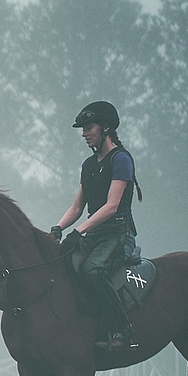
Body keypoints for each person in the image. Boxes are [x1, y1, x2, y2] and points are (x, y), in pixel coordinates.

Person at [53, 100, 141, 353]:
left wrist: (79, 231)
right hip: (95, 235)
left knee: (92, 270)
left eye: (88, 127)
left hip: (119, 234)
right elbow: (77, 208)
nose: (84, 134)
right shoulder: (89, 165)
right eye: (82, 129)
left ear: (105, 128)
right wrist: (57, 228)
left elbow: (112, 206)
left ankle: (123, 332)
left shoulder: (121, 159)